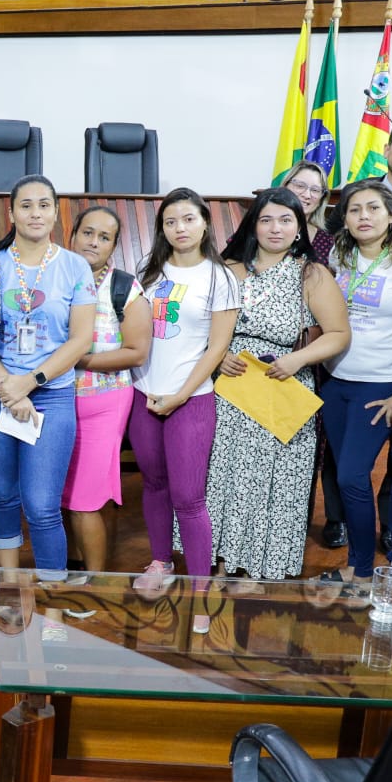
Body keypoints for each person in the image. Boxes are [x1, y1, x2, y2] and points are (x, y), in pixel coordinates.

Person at [209, 189, 350, 583]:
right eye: (267, 219)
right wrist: (218, 356)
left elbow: (338, 333)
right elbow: (200, 328)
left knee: (275, 486)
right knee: (227, 479)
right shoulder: (229, 269)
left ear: (299, 227)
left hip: (283, 384)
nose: (276, 228)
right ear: (253, 224)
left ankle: (259, 569)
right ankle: (222, 561)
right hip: (233, 389)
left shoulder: (311, 273)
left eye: (286, 220)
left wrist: (298, 359)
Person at [318, 180, 392, 592]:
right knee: (341, 477)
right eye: (354, 210)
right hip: (337, 381)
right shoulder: (341, 254)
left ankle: (365, 572)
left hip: (383, 384)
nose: (363, 217)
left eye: (373, 208)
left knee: (354, 476)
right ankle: (355, 565)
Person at [129, 188, 240, 632]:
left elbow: (217, 348)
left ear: (205, 224)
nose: (180, 228)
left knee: (189, 498)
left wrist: (178, 394)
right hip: (144, 395)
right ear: (162, 229)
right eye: (171, 221)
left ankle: (200, 590)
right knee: (153, 483)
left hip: (190, 400)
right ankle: (160, 561)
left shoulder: (220, 278)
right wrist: (151, 392)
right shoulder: (148, 273)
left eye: (188, 219)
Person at [0, 175, 97, 582]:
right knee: (3, 497)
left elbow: (81, 338)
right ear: (11, 212)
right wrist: (5, 384)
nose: (35, 213)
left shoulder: (73, 265)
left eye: (44, 205)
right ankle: (11, 589)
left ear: (55, 211)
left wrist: (28, 382)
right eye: (26, 205)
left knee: (41, 504)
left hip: (50, 396)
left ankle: (53, 598)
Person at [62, 206, 149, 576]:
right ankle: (73, 563)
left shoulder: (123, 287)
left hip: (103, 402)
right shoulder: (53, 277)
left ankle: (94, 585)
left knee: (86, 499)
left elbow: (136, 351)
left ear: (114, 245)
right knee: (63, 497)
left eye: (104, 237)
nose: (93, 242)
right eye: (87, 233)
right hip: (55, 400)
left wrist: (75, 359)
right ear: (73, 234)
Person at [278, 159, 333, 260]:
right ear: (285, 187)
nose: (307, 195)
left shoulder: (328, 242)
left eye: (315, 190)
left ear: (322, 199)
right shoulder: (264, 229)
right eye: (300, 186)